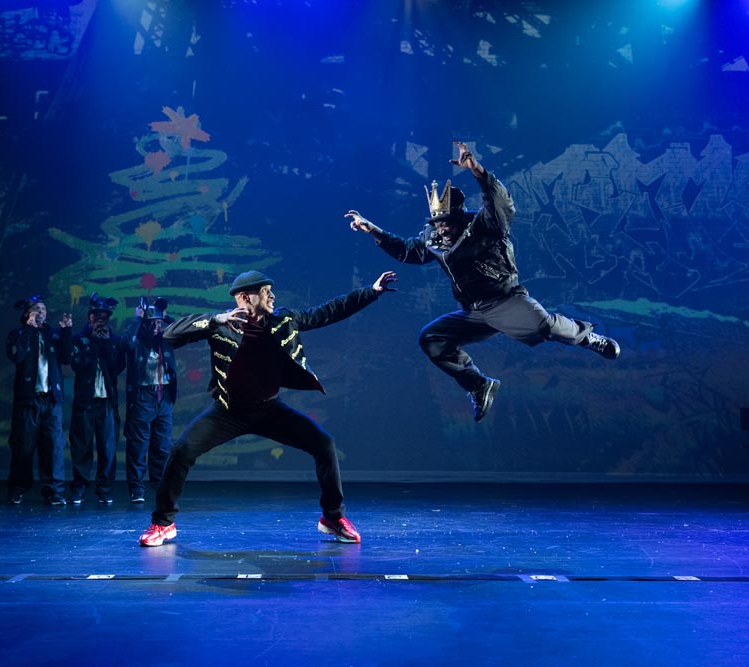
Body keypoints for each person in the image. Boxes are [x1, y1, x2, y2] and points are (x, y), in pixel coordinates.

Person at [346, 141, 619, 423]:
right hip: (472, 312)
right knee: (432, 339)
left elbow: (500, 203)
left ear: (459, 218)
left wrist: (477, 171)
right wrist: (373, 230)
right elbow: (408, 251)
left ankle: (587, 337)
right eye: (438, 224)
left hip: (505, 301)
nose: (442, 230)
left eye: (447, 224)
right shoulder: (434, 237)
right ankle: (478, 385)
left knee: (544, 326)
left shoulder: (485, 225)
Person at [138, 269, 398, 547]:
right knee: (182, 450)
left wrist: (371, 292)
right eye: (265, 291)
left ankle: (333, 518)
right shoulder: (222, 325)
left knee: (324, 445)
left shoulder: (284, 319)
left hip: (270, 410)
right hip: (229, 412)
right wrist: (214, 319)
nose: (272, 296)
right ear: (244, 297)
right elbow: (170, 334)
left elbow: (328, 312)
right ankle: (163, 523)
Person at [5, 295, 73, 505]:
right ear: (27, 313)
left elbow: (67, 358)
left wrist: (66, 332)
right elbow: (18, 356)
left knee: (53, 447)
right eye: (36, 308)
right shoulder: (17, 334)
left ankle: (54, 491)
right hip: (28, 399)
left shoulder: (52, 334)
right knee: (23, 447)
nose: (41, 312)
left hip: (51, 399)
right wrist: (28, 329)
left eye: (43, 308)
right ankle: (18, 488)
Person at [68, 292, 126, 505]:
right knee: (81, 447)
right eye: (97, 316)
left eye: (105, 316)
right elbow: (77, 365)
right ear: (89, 317)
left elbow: (117, 367)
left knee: (108, 449)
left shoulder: (114, 340)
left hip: (107, 402)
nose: (101, 320)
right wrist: (93, 342)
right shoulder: (79, 339)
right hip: (85, 402)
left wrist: (106, 344)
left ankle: (104, 489)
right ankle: (79, 488)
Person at [122, 297, 177, 504]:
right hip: (143, 397)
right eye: (152, 323)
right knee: (138, 446)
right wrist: (137, 319)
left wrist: (164, 316)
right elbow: (124, 343)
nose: (156, 327)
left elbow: (182, 330)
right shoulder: (137, 341)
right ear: (144, 324)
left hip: (164, 397)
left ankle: (159, 486)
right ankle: (137, 489)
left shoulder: (166, 339)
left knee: (162, 447)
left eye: (158, 323)